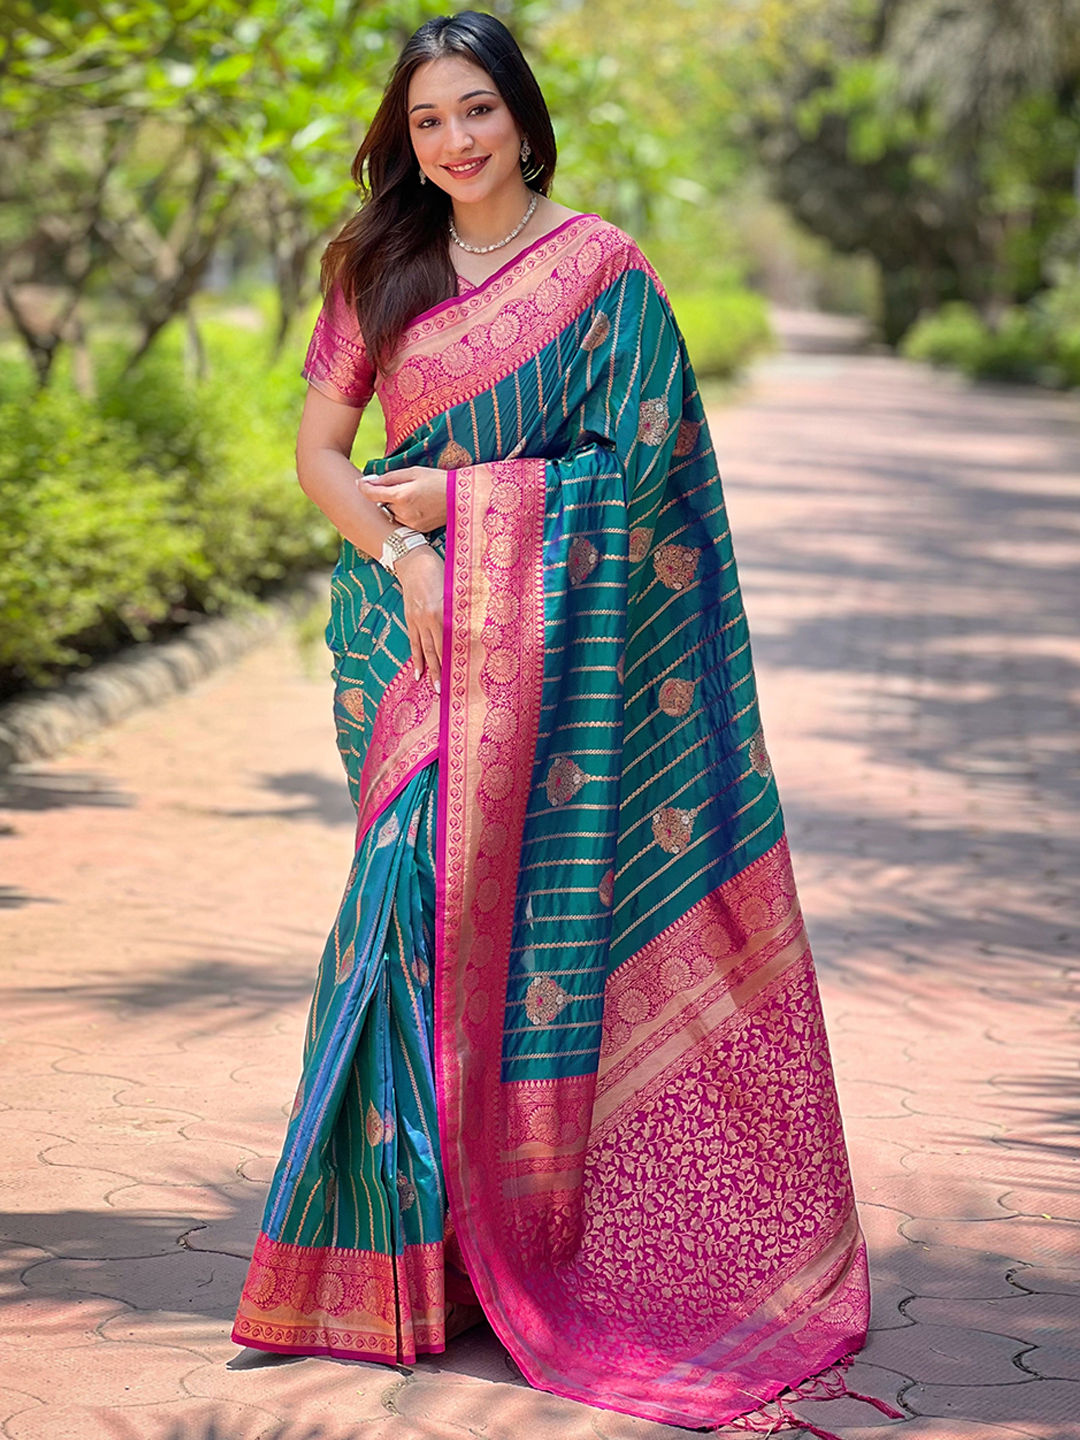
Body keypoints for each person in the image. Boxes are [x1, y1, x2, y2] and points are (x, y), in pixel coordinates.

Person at [231, 13, 899, 1437]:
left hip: (556, 649)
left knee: (527, 934)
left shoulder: (604, 274)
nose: (454, 141)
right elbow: (319, 455)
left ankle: (503, 1250)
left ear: (523, 119)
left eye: (476, 110)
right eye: (427, 120)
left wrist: (469, 506)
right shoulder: (375, 265)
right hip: (414, 637)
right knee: (401, 910)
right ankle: (387, 1268)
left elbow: (648, 480)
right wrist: (408, 554)